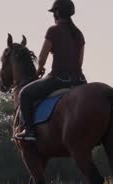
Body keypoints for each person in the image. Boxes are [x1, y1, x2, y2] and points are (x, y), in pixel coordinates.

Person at [16, 0, 86, 141]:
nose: (53, 15)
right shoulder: (79, 33)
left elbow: (42, 58)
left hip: (58, 79)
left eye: (54, 12)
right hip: (80, 80)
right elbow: (80, 62)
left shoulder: (53, 30)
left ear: (57, 13)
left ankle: (30, 131)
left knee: (24, 94)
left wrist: (39, 70)